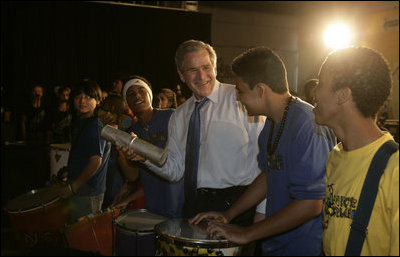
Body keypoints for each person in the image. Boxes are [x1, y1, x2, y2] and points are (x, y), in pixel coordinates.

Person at [190, 46, 336, 256]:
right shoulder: (271, 124)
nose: (238, 97)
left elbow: (311, 203)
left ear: (260, 90)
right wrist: (229, 214)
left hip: (303, 248)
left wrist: (247, 233)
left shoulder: (307, 124)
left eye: (240, 90)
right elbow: (269, 175)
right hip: (275, 245)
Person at [118, 40, 265, 226]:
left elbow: (265, 162)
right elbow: (175, 170)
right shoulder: (179, 115)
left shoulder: (241, 100)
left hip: (240, 205)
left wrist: (262, 212)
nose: (201, 76)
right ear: (181, 75)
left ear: (215, 67)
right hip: (196, 205)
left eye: (206, 67)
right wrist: (144, 157)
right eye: (193, 70)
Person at [313, 46, 399, 255]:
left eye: (320, 84)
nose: (314, 93)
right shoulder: (335, 156)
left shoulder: (394, 169)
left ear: (343, 95)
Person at [114, 75, 184, 219]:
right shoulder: (131, 133)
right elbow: (133, 176)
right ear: (127, 102)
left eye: (141, 91)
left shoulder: (171, 116)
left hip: (180, 197)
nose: (137, 95)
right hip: (154, 202)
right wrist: (118, 148)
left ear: (150, 95)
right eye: (131, 94)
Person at [58, 79, 111, 223]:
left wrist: (73, 187)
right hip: (82, 190)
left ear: (98, 101)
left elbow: (95, 162)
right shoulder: (83, 121)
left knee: (83, 238)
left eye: (88, 97)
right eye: (78, 97)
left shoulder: (94, 126)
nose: (82, 101)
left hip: (88, 193)